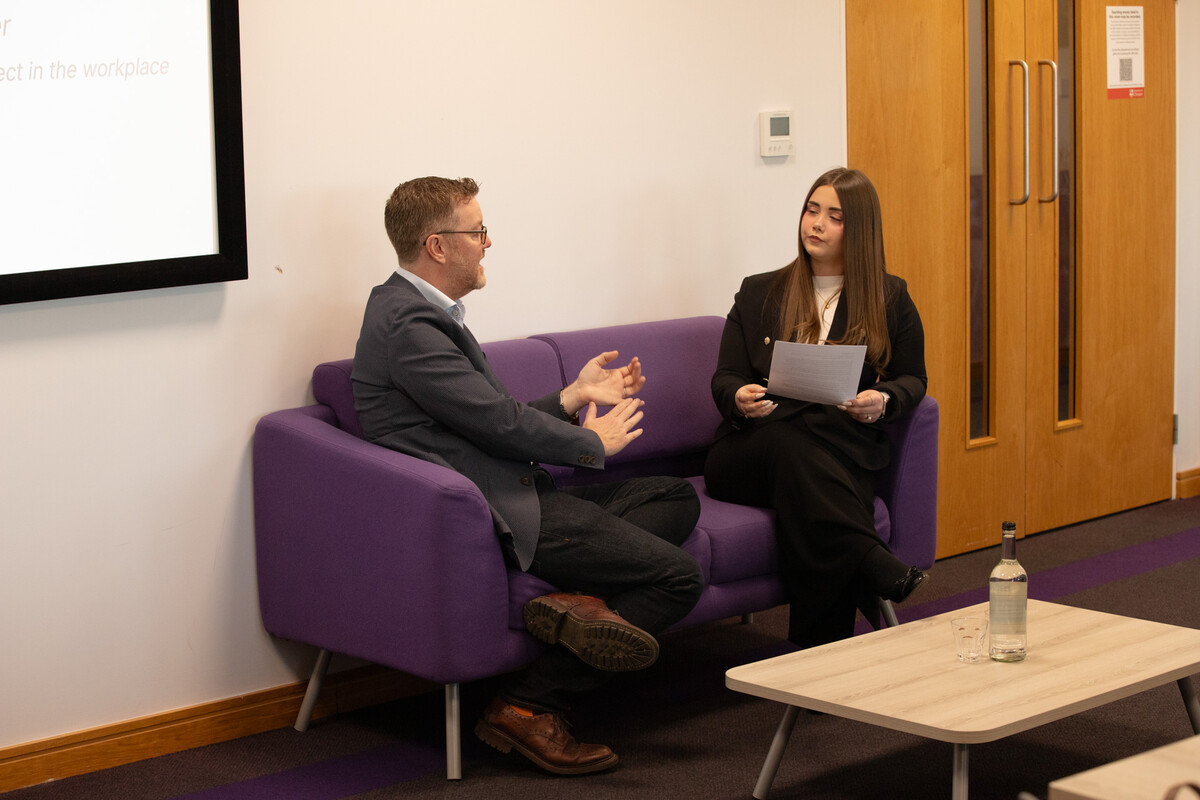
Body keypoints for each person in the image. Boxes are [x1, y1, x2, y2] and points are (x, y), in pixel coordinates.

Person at [351, 176, 703, 775]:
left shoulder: (416, 311)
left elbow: (482, 423)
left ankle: (581, 606)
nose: (488, 242)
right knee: (679, 579)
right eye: (478, 231)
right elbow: (499, 425)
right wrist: (590, 439)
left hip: (511, 483)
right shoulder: (410, 327)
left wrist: (573, 395)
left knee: (672, 496)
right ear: (438, 246)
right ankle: (525, 705)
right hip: (500, 510)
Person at [703, 167, 928, 650]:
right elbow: (725, 377)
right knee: (792, 445)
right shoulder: (760, 291)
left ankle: (818, 665)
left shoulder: (890, 298)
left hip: (836, 450)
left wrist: (884, 399)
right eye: (811, 210)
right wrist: (738, 397)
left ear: (860, 230)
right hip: (749, 451)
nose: (816, 224)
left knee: (813, 479)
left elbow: (914, 379)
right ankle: (870, 561)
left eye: (834, 216)